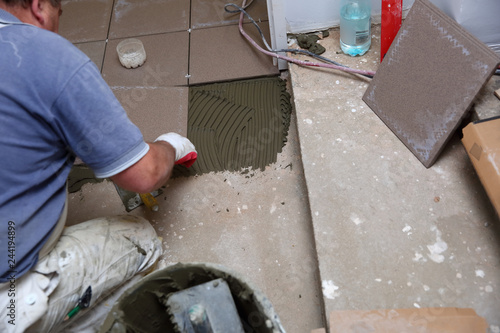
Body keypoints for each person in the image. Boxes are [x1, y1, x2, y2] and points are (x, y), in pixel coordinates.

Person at [0, 0, 197, 331]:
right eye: (58, 16)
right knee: (141, 240)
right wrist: (170, 146)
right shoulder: (45, 57)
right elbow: (145, 174)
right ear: (38, 6)